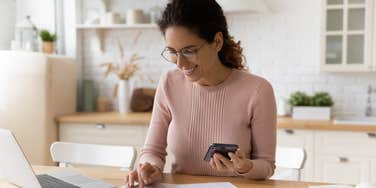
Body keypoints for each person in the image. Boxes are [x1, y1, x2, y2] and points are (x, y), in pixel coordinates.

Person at [125, 0, 276, 187]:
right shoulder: (169, 83)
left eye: (189, 51)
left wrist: (244, 167)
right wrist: (149, 167)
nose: (180, 63)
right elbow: (152, 151)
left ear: (217, 42)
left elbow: (266, 165)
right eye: (172, 51)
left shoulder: (258, 90)